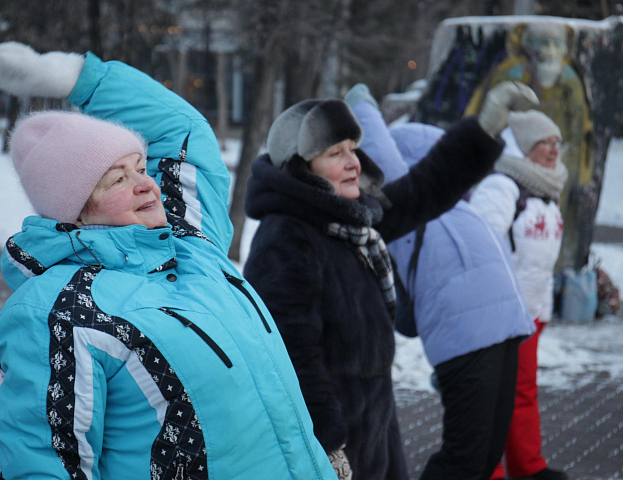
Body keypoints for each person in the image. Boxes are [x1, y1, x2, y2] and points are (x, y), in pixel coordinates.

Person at [0, 42, 338, 480]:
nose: (145, 185)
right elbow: (46, 464)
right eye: (117, 178)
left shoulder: (192, 245)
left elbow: (184, 131)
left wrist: (82, 80)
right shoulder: (59, 311)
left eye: (140, 167)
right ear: (74, 210)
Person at [241, 81, 538, 480]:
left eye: (353, 148)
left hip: (373, 433)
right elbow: (291, 358)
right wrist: (326, 446)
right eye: (335, 152)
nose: (353, 162)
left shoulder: (348, 221)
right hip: (331, 447)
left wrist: (485, 126)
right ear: (301, 167)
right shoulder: (286, 238)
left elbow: (425, 189)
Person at [345, 84, 536, 480]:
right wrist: (360, 102)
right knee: (468, 459)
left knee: (479, 458)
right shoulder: (410, 206)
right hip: (481, 331)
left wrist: (362, 100)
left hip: (493, 330)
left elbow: (406, 317)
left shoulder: (450, 209)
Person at [468, 110, 569, 480]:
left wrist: (542, 310)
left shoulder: (548, 190)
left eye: (557, 142)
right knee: (491, 399)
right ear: (525, 145)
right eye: (545, 142)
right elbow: (480, 247)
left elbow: (541, 265)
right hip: (497, 317)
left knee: (523, 392)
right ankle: (489, 470)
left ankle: (528, 467)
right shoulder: (502, 186)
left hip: (529, 315)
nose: (553, 150)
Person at [465, 21, 592, 273]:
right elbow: (487, 115)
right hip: (515, 157)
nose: (549, 50)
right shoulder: (501, 186)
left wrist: (582, 175)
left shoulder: (569, 80)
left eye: (555, 43)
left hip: (557, 167)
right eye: (542, 43)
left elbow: (580, 130)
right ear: (527, 46)